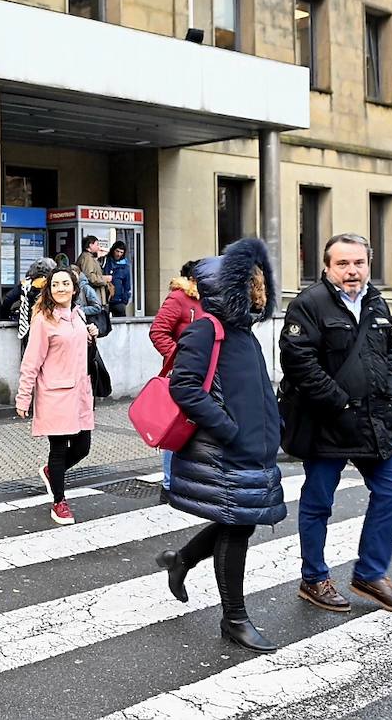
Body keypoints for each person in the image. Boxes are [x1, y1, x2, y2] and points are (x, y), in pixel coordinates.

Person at [156, 238, 285, 653]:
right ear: (228, 290)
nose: (259, 291)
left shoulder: (243, 333)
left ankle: (181, 560)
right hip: (226, 448)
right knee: (236, 525)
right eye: (251, 284)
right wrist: (229, 430)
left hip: (252, 446)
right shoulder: (205, 330)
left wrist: (273, 425)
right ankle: (235, 619)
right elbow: (184, 387)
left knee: (241, 521)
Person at [279, 234, 392, 615]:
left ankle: (370, 573)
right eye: (342, 264)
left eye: (358, 263)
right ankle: (313, 578)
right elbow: (299, 363)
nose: (352, 271)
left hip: (374, 420)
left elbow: (387, 354)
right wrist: (339, 402)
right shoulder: (309, 304)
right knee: (319, 502)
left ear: (368, 264)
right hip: (327, 422)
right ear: (327, 267)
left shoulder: (376, 301)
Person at [15, 267, 99, 526]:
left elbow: (80, 352)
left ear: (74, 288)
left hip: (80, 392)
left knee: (83, 448)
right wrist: (23, 397)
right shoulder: (43, 319)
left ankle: (52, 472)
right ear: (49, 290)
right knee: (59, 449)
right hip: (55, 394)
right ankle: (59, 501)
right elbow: (31, 361)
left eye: (65, 284)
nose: (60, 288)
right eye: (55, 285)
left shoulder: (78, 315)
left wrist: (90, 337)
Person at [149, 260, 203, 502]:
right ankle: (170, 484)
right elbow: (158, 331)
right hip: (182, 374)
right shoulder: (179, 298)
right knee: (177, 427)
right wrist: (180, 358)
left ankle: (190, 480)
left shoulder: (208, 300)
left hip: (205, 374)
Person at [10, 257, 57, 351]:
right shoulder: (52, 284)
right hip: (49, 324)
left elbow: (8, 299)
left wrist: (4, 315)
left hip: (29, 324)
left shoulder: (26, 284)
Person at [78, 235, 112, 308]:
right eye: (97, 244)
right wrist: (104, 279)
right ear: (90, 245)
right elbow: (89, 276)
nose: (98, 247)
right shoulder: (87, 258)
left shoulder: (88, 257)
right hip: (92, 296)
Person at [102, 240, 133, 318]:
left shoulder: (125, 266)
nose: (119, 254)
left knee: (121, 321)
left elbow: (127, 285)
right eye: (117, 251)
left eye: (121, 252)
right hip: (105, 299)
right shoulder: (105, 261)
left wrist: (125, 299)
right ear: (113, 250)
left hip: (119, 300)